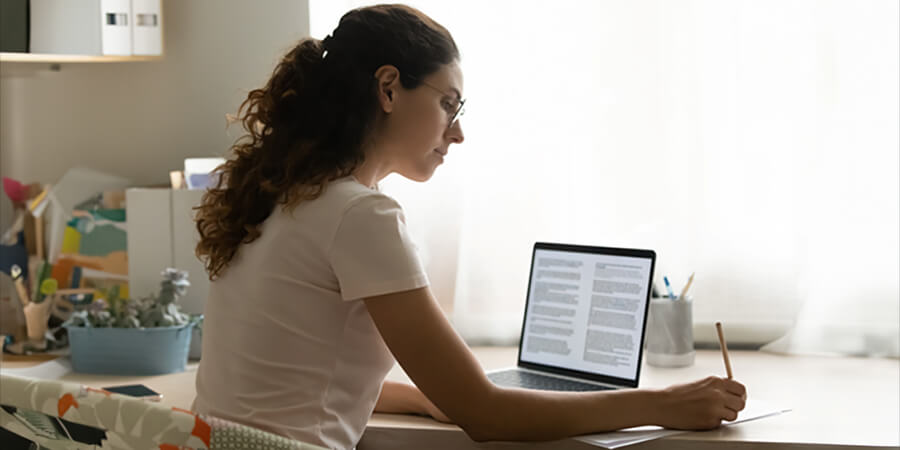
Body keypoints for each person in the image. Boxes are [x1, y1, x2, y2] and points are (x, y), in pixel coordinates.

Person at [191, 4, 747, 449]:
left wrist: (430, 396)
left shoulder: (281, 197)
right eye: (449, 104)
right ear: (388, 89)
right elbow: (485, 414)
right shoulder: (361, 215)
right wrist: (662, 404)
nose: (456, 133)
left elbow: (292, 382)